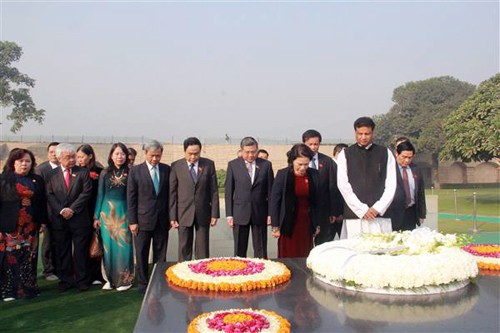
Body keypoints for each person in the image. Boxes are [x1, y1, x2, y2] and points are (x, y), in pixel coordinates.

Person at [337, 117, 397, 239]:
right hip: (355, 216)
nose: (363, 137)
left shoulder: (385, 153)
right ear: (355, 132)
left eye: (367, 134)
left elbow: (391, 185)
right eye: (360, 134)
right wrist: (362, 209)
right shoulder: (345, 154)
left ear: (372, 133)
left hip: (379, 216)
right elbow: (343, 185)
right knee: (355, 252)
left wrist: (377, 208)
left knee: (380, 251)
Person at [0, 148, 48, 301]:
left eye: (28, 161)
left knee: (29, 257)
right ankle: (8, 291)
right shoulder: (5, 179)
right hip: (10, 226)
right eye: (21, 161)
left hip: (31, 226)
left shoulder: (37, 180)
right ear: (13, 162)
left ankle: (28, 289)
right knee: (9, 258)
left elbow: (42, 202)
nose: (24, 164)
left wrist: (43, 222)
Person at [45, 143, 92, 292]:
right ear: (59, 158)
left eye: (73, 156)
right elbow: (49, 195)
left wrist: (72, 209)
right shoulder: (51, 175)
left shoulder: (82, 172)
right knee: (62, 251)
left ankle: (82, 280)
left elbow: (86, 193)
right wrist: (61, 210)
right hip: (60, 220)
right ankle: (66, 280)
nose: (72, 160)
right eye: (68, 157)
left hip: (79, 219)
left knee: (80, 251)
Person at [127, 140, 170, 294]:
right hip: (142, 220)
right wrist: (132, 221)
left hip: (162, 220)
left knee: (161, 254)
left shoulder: (166, 170)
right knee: (142, 253)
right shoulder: (135, 171)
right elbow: (131, 198)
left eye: (158, 156)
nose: (155, 159)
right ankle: (143, 283)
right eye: (152, 156)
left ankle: (159, 280)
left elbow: (170, 196)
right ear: (145, 154)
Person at [169, 137, 219, 261]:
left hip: (203, 212)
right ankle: (184, 275)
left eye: (196, 153)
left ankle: (202, 274)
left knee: (202, 248)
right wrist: (172, 216)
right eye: (190, 154)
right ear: (184, 151)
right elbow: (173, 193)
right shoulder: (176, 166)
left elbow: (213, 191)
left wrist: (214, 214)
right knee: (184, 247)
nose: (193, 157)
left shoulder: (208, 164)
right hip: (183, 212)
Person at [94, 143, 134, 291]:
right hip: (106, 214)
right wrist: (96, 216)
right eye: (117, 154)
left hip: (124, 212)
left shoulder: (131, 172)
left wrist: (133, 217)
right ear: (111, 155)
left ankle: (125, 280)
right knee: (108, 248)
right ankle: (110, 279)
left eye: (122, 154)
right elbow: (100, 194)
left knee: (123, 247)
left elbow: (132, 196)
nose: (120, 156)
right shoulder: (105, 173)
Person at [225, 137, 274, 258]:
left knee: (261, 249)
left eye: (253, 151)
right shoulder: (233, 165)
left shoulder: (266, 165)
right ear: (241, 151)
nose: (251, 155)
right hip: (240, 213)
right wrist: (229, 214)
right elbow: (229, 191)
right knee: (240, 249)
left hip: (260, 212)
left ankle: (262, 271)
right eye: (247, 152)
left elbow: (270, 191)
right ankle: (239, 272)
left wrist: (270, 213)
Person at [270, 144, 320, 258]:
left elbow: (316, 202)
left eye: (306, 164)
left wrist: (317, 224)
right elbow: (275, 201)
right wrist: (275, 226)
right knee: (289, 252)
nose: (303, 168)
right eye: (300, 164)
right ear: (292, 161)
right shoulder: (283, 175)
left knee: (305, 252)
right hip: (288, 222)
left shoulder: (314, 175)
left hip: (306, 222)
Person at [302, 130, 343, 245]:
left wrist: (334, 212)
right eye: (310, 144)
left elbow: (333, 187)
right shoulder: (298, 161)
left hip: (323, 211)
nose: (313, 147)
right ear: (304, 143)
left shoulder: (327, 161)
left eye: (316, 144)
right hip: (305, 209)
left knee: (323, 242)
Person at [76, 144, 104, 285]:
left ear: (90, 156)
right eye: (78, 157)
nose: (79, 160)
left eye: (82, 156)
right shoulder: (76, 171)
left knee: (96, 243)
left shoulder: (100, 171)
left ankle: (97, 275)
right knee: (82, 245)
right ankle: (83, 275)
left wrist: (97, 215)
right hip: (80, 213)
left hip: (95, 212)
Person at [34, 141, 59, 281]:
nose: (54, 154)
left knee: (60, 242)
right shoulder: (42, 169)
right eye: (51, 152)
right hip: (48, 212)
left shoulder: (66, 167)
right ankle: (48, 270)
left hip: (62, 213)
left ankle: (59, 268)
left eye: (56, 151)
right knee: (48, 242)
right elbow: (40, 195)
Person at [389, 141, 427, 231]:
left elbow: (420, 192)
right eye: (404, 157)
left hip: (411, 214)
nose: (407, 160)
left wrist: (422, 213)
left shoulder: (416, 169)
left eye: (410, 157)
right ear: (396, 154)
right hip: (393, 214)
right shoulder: (389, 169)